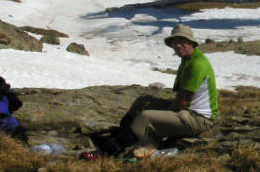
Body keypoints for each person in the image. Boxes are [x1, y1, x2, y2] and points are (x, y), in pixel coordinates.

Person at [81, 24, 219, 160]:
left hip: (199, 119)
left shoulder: (197, 65)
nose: (178, 45)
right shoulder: (188, 60)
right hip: (189, 111)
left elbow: (183, 101)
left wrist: (165, 114)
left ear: (191, 43)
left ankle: (111, 150)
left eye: (182, 41)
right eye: (175, 41)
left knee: (145, 117)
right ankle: (122, 135)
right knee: (142, 102)